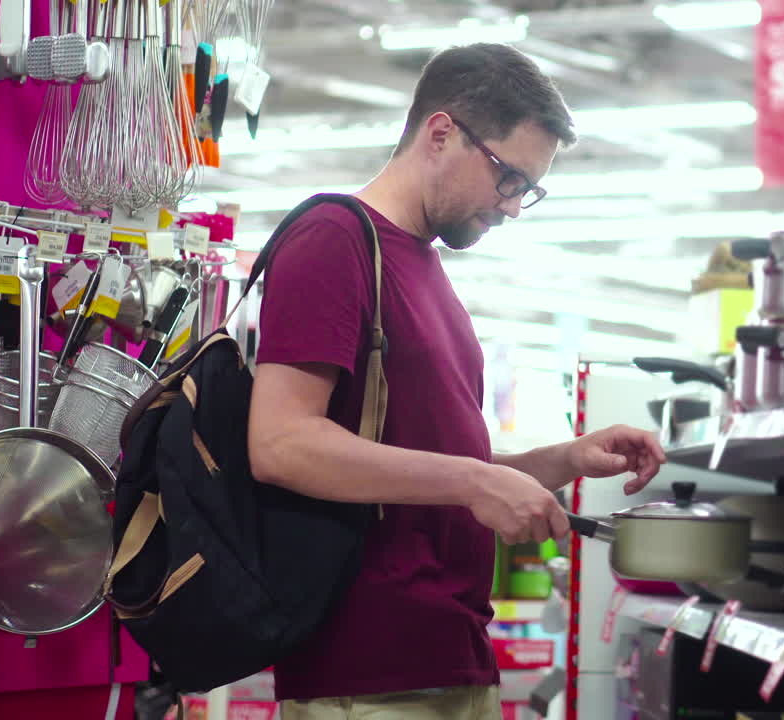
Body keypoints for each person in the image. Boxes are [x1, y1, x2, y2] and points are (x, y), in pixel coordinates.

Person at [246, 43, 668, 720]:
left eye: (530, 189)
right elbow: (280, 444)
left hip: (446, 660)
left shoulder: (424, 268)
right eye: (509, 178)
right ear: (441, 133)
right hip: (367, 676)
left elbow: (429, 463)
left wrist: (559, 460)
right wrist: (476, 483)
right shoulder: (334, 238)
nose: (514, 208)